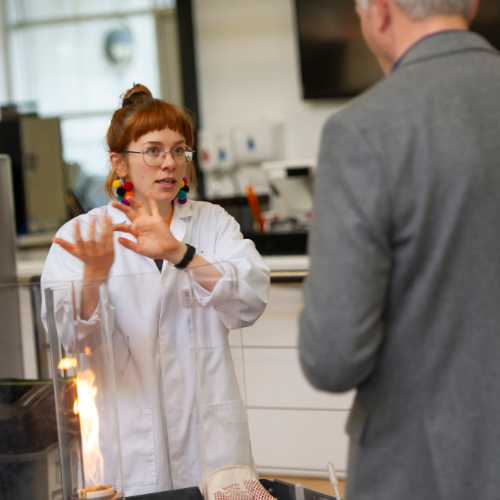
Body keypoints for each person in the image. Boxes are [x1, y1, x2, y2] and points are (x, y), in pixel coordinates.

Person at [299, 0, 500, 498]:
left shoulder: (364, 132)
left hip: (424, 469)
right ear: (471, 6)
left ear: (381, 12)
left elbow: (332, 357)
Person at [41, 84, 270, 496]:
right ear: (119, 163)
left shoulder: (211, 224)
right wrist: (93, 274)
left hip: (209, 438)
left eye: (178, 150)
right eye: (153, 150)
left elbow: (249, 301)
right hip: (123, 438)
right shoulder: (82, 235)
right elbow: (71, 340)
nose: (169, 163)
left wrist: (181, 254)